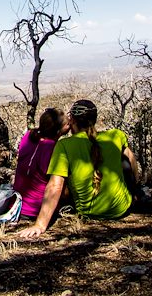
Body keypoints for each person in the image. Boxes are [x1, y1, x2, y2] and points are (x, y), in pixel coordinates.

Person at [17, 99, 140, 239]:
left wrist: (40, 225)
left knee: (66, 172)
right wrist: (135, 188)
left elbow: (55, 186)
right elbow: (131, 160)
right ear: (95, 119)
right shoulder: (116, 135)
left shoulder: (64, 145)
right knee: (125, 158)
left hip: (88, 212)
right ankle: (136, 194)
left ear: (73, 121)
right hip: (121, 209)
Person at [12, 107, 67, 219]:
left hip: (17, 205)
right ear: (58, 131)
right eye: (67, 124)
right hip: (37, 209)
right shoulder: (52, 148)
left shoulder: (28, 136)